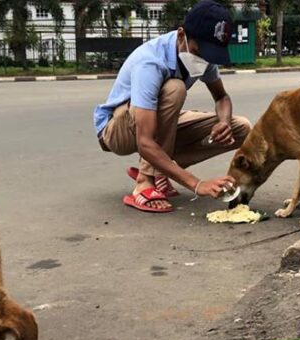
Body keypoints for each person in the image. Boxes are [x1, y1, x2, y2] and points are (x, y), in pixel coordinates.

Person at [93, 0, 251, 213]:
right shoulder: (150, 62)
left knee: (241, 128)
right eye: (199, 51)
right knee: (175, 89)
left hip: (153, 120)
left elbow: (222, 98)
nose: (203, 60)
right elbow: (144, 141)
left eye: (209, 55)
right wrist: (197, 184)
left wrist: (223, 122)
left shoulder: (202, 58)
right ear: (180, 36)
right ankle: (144, 182)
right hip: (116, 129)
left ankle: (160, 172)